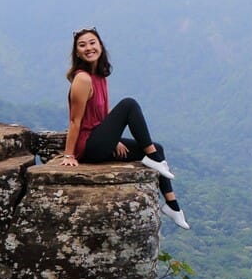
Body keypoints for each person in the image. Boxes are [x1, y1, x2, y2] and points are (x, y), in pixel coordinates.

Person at [53, 27, 190, 229]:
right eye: (82, 45)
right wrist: (69, 155)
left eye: (92, 43)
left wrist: (113, 137)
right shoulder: (82, 79)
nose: (88, 48)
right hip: (89, 147)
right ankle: (153, 158)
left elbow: (104, 117)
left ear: (100, 46)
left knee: (158, 147)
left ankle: (173, 206)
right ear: (77, 53)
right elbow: (75, 120)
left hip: (101, 141)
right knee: (129, 104)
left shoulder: (100, 77)